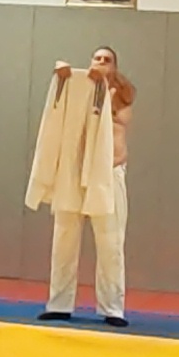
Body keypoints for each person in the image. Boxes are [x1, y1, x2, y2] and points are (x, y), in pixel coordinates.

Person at [37, 46, 137, 324]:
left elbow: (117, 118)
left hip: (108, 172)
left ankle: (112, 308)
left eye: (107, 60)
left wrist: (101, 87)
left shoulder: (122, 94)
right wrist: (63, 81)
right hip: (75, 172)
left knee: (110, 241)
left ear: (114, 66)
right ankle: (59, 303)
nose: (101, 62)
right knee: (64, 236)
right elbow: (58, 110)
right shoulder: (76, 88)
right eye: (97, 58)